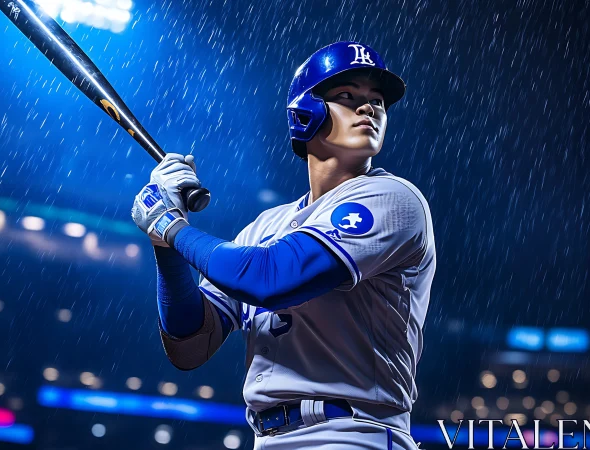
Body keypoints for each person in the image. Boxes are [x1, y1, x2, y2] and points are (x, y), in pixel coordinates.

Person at [131, 41, 435, 450]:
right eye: (348, 95)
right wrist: (164, 244)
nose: (369, 108)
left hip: (353, 434)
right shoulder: (265, 227)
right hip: (267, 438)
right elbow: (190, 345)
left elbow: (270, 277)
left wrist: (172, 227)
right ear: (304, 112)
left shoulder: (393, 199)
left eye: (377, 100)